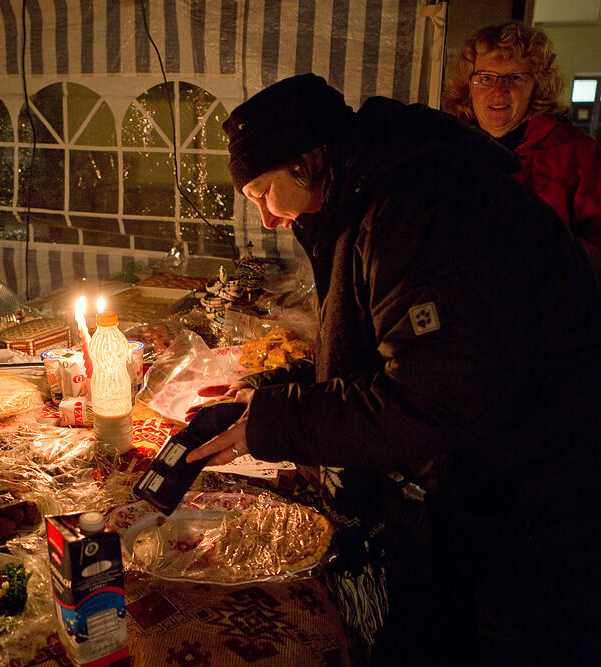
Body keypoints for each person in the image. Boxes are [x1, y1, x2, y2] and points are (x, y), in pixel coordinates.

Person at [186, 74, 601, 665]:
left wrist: (277, 424)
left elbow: (436, 396)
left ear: (306, 160)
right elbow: (384, 350)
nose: (267, 218)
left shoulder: (423, 208)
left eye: (262, 192)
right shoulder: (373, 191)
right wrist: (275, 390)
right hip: (497, 476)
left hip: (541, 496)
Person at [443, 21, 601, 262]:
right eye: (485, 78)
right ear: (467, 86)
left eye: (515, 77)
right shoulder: (443, 148)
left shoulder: (579, 154)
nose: (499, 90)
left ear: (536, 86)